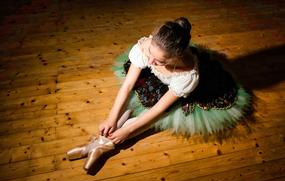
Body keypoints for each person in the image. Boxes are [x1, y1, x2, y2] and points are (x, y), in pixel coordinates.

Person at [66, 17, 252, 170]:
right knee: (132, 101)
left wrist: (128, 130)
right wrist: (111, 118)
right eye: (150, 53)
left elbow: (159, 108)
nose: (151, 61)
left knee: (148, 116)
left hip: (177, 90)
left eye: (160, 61)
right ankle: (98, 146)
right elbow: (128, 84)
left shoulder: (187, 75)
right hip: (157, 80)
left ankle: (98, 147)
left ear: (175, 58)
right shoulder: (146, 48)